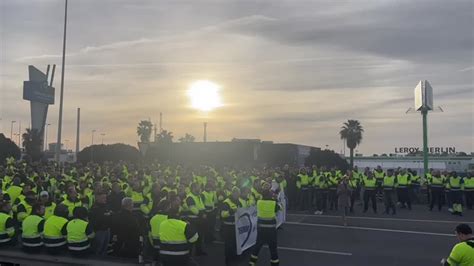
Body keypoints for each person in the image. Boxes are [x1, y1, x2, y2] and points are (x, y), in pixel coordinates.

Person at [159, 197, 199, 266]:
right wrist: (190, 227)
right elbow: (194, 238)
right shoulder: (184, 225)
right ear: (178, 213)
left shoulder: (162, 224)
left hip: (164, 255)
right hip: (181, 256)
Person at [249, 182, 280, 266]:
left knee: (257, 246)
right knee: (273, 248)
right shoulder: (274, 203)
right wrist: (276, 199)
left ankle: (252, 263)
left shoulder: (259, 202)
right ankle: (275, 264)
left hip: (261, 229)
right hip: (271, 230)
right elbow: (278, 209)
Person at [221, 187, 241, 265]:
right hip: (228, 226)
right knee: (228, 244)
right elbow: (223, 214)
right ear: (233, 193)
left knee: (235, 243)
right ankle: (228, 259)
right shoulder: (226, 202)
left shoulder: (238, 201)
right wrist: (231, 211)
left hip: (235, 226)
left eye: (238, 194)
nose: (237, 195)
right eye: (236, 193)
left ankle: (233, 256)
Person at [89, 189, 112, 256]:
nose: (105, 199)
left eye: (105, 197)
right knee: (98, 249)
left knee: (104, 249)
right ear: (97, 198)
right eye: (103, 198)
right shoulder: (94, 208)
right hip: (99, 231)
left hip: (107, 230)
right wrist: (106, 215)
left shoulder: (106, 206)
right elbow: (95, 221)